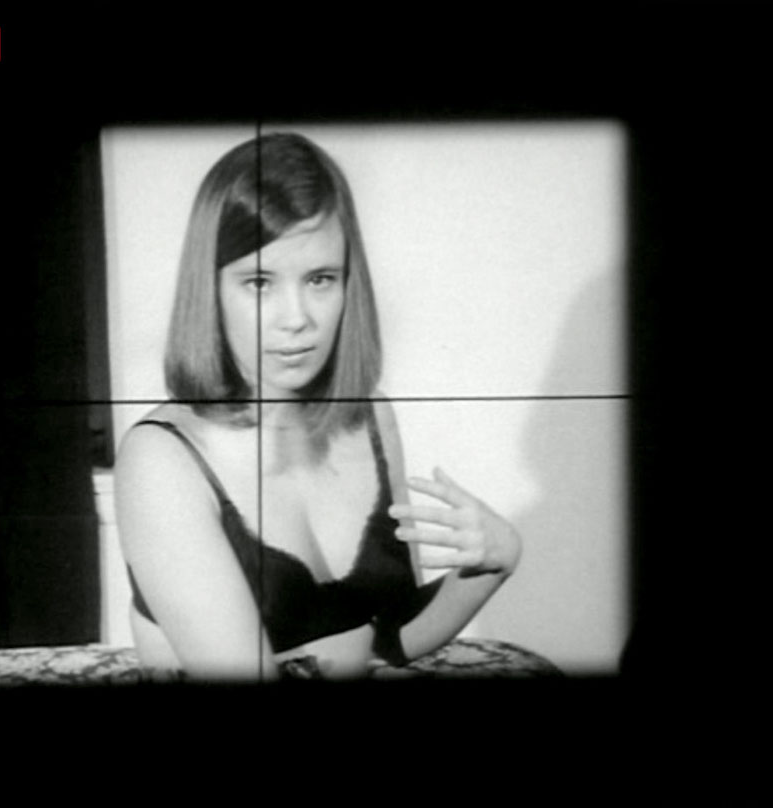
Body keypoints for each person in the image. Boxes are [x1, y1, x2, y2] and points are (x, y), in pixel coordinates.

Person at [114, 132, 522, 681]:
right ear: (209, 291)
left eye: (320, 279)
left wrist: (496, 562)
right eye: (260, 282)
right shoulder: (161, 459)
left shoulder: (369, 415)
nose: (297, 318)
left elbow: (388, 637)